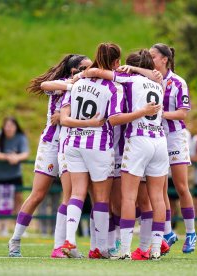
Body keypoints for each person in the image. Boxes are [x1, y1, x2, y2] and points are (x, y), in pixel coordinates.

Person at [83, 49, 167, 260]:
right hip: (159, 140)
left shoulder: (128, 80)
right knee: (158, 197)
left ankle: (125, 249)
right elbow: (154, 75)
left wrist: (80, 75)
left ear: (129, 66)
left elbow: (96, 72)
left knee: (128, 197)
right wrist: (143, 70)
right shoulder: (158, 83)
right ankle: (155, 248)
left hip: (138, 140)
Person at [7, 54, 91, 257]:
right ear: (74, 71)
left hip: (69, 144)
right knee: (38, 194)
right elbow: (45, 85)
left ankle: (59, 247)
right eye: (86, 68)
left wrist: (64, 117)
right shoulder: (64, 84)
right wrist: (71, 86)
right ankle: (15, 239)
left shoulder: (88, 87)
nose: (91, 71)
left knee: (69, 196)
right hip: (51, 144)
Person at [60, 43, 123, 259]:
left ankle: (69, 240)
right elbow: (113, 119)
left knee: (77, 193)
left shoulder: (78, 82)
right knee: (101, 198)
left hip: (73, 143)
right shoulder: (114, 87)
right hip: (98, 145)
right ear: (115, 62)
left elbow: (64, 117)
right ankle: (100, 248)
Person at [149, 43, 196, 254]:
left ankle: (191, 232)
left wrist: (160, 115)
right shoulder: (149, 79)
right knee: (159, 186)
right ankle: (168, 232)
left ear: (164, 60)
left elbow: (182, 113)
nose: (150, 59)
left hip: (175, 137)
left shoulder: (178, 82)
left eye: (153, 56)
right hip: (156, 136)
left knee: (181, 186)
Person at [0, 117, 29, 237]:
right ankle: (3, 227)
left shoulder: (21, 137)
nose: (9, 128)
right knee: (0, 201)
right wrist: (8, 157)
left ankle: (18, 228)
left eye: (12, 126)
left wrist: (17, 158)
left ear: (16, 127)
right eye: (7, 125)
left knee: (18, 198)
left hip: (14, 174)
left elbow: (25, 153)